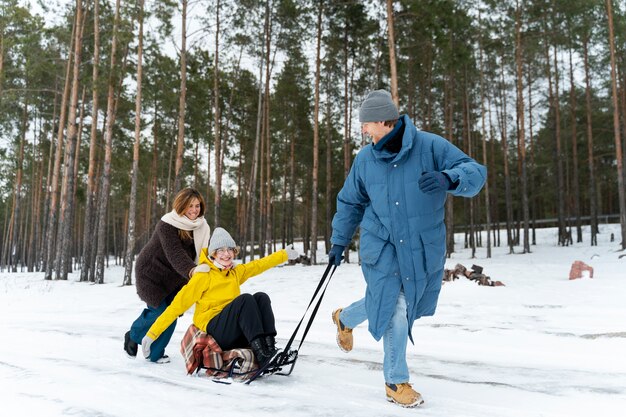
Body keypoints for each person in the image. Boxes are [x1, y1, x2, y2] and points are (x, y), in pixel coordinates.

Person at [328, 90, 486, 407]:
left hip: (418, 246)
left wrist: (448, 177)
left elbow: (475, 171)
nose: (363, 130)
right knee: (396, 308)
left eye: (366, 124)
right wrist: (339, 241)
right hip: (381, 243)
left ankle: (344, 317)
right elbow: (349, 203)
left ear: (384, 121)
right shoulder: (365, 160)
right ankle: (396, 381)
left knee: (388, 301)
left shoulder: (429, 146)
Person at [141, 227, 300, 367]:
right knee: (245, 299)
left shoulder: (234, 272)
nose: (226, 254)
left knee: (261, 297)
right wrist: (152, 334)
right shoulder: (203, 276)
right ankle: (261, 355)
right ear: (213, 254)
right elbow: (176, 307)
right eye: (221, 250)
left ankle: (269, 348)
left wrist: (284, 255)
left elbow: (259, 265)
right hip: (215, 331)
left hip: (234, 328)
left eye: (230, 249)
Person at [123, 188, 211, 363]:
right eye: (190, 206)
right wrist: (193, 270)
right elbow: (175, 254)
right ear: (181, 206)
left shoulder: (202, 227)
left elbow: (205, 254)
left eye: (197, 206)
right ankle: (133, 335)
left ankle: (155, 353)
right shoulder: (167, 224)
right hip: (151, 274)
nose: (194, 210)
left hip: (177, 277)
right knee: (159, 311)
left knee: (172, 313)